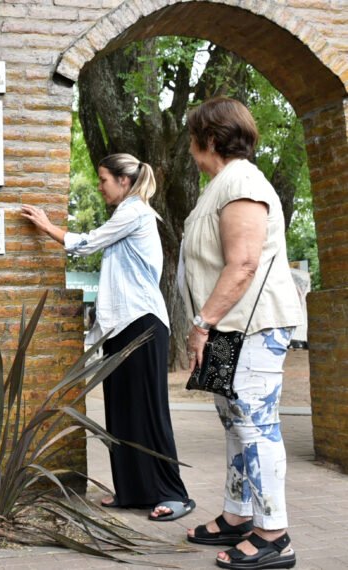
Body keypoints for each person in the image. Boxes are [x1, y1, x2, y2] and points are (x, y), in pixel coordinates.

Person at [21, 153, 195, 522]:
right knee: (122, 409)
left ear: (124, 181)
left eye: (103, 180)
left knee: (148, 411)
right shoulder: (126, 214)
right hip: (122, 326)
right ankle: (134, 491)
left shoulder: (135, 212)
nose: (100, 186)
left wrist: (47, 226)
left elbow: (87, 242)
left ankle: (174, 493)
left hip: (143, 324)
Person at [182, 97, 301, 570]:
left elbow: (244, 263)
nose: (190, 149)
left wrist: (201, 323)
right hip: (229, 326)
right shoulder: (222, 184)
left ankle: (274, 535)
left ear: (209, 139)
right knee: (235, 423)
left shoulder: (243, 182)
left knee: (256, 425)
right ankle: (238, 516)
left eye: (193, 138)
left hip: (250, 324)